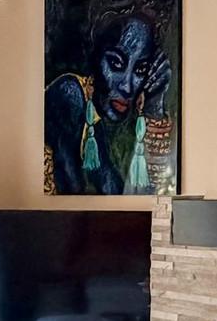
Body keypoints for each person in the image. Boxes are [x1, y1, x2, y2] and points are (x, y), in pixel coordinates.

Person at [45, 13, 171, 194]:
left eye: (140, 69)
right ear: (95, 56)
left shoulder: (93, 119)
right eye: (115, 63)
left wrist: (154, 104)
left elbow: (110, 186)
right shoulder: (69, 93)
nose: (127, 87)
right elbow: (71, 190)